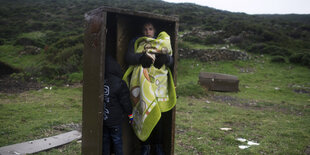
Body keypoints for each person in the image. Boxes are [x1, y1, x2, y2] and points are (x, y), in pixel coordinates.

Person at [124, 22, 176, 155]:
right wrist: (141, 58)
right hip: (142, 84)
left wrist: (166, 59)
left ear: (155, 30)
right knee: (142, 114)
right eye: (145, 29)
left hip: (159, 85)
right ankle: (145, 147)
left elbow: (171, 60)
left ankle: (158, 146)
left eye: (150, 29)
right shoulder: (137, 42)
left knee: (158, 116)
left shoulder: (161, 42)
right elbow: (129, 57)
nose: (147, 32)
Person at [103, 54, 134, 155]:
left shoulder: (101, 80)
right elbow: (125, 102)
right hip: (115, 120)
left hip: (104, 118)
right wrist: (131, 115)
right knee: (117, 141)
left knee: (105, 140)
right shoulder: (119, 83)